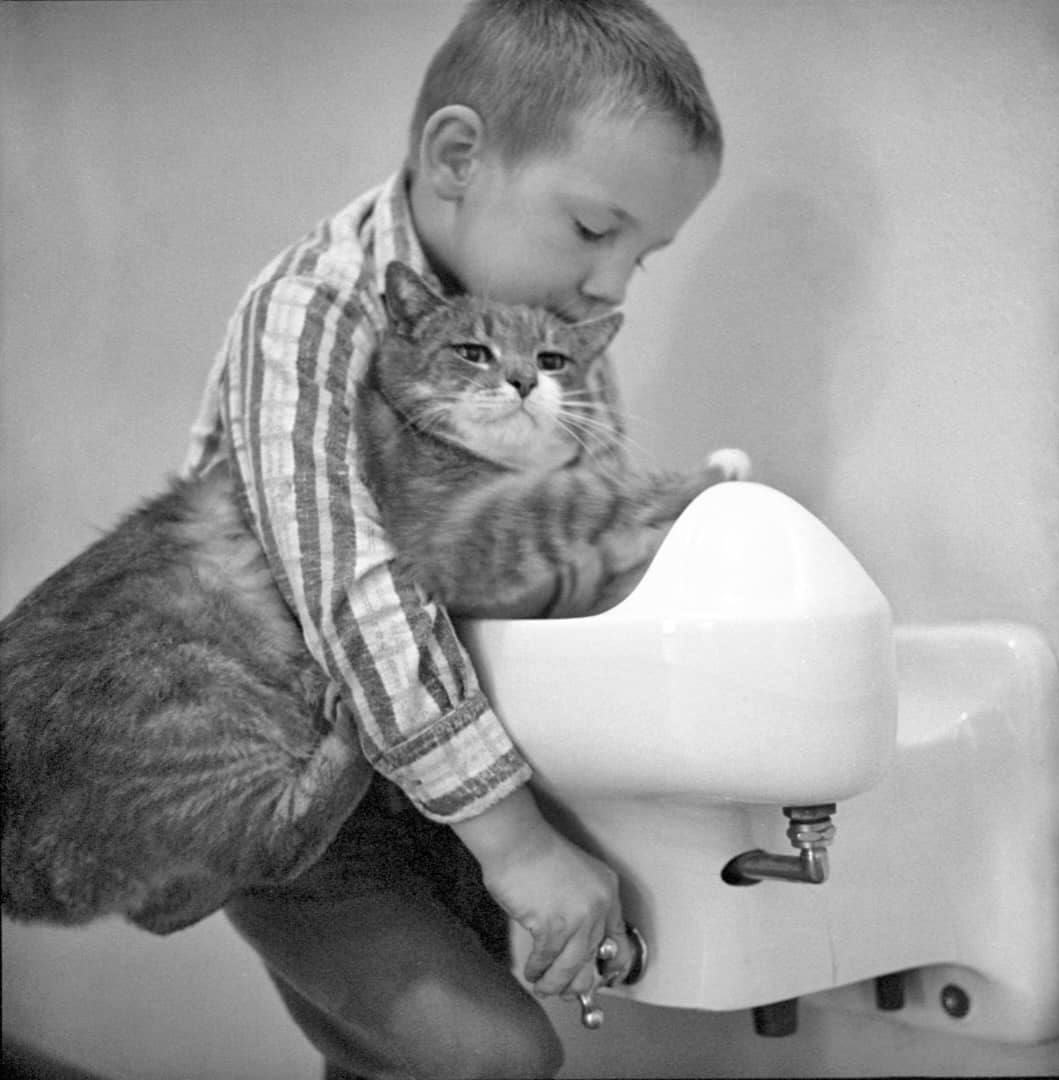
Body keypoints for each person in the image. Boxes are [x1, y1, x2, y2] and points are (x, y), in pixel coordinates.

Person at [184, 1, 723, 1076]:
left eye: (644, 258)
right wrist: (517, 845)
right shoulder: (315, 309)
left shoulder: (553, 338)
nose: (611, 286)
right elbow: (353, 586)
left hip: (424, 772)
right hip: (278, 776)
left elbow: (569, 538)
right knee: (492, 1055)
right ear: (459, 156)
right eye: (592, 230)